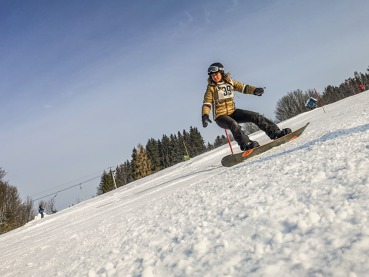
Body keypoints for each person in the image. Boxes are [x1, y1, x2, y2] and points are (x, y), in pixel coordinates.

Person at [201, 62, 291, 151]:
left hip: (233, 112)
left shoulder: (230, 82)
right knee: (233, 124)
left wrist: (255, 90)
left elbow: (243, 88)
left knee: (255, 116)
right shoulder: (211, 88)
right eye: (212, 76)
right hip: (220, 117)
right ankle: (245, 144)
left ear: (221, 73)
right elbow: (207, 103)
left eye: (216, 74)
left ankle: (275, 132)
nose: (214, 77)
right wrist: (205, 115)